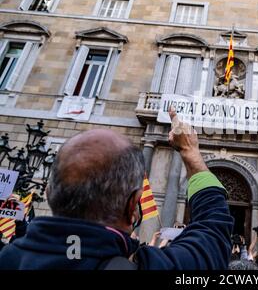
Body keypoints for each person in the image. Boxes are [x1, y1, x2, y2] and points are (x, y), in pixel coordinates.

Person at [0, 107, 234, 269]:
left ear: (49, 193)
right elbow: (213, 231)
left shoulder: (8, 258)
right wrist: (190, 153)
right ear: (134, 207)